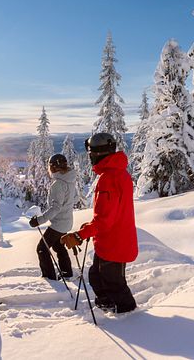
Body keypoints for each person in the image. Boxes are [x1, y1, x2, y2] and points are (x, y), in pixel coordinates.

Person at [61, 133, 138, 314]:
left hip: (114, 243)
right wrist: (87, 229)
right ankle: (108, 307)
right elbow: (110, 213)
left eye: (91, 153)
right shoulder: (118, 174)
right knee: (96, 276)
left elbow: (105, 220)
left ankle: (130, 319)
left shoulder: (109, 179)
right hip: (111, 241)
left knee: (114, 285)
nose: (90, 157)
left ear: (97, 153)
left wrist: (80, 235)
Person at [29, 153, 77, 280]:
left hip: (59, 224)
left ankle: (49, 277)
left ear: (53, 167)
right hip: (66, 222)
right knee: (58, 246)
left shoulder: (58, 184)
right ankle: (67, 273)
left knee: (42, 249)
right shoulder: (70, 180)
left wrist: (39, 220)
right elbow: (75, 198)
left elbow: (56, 207)